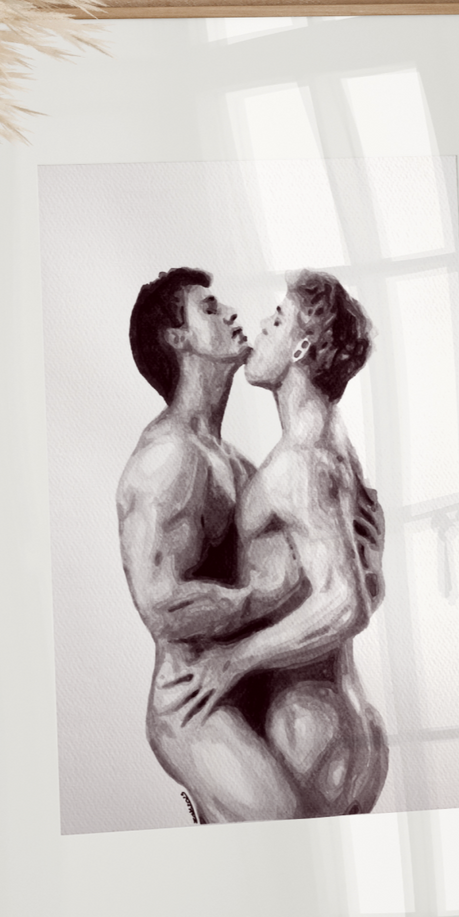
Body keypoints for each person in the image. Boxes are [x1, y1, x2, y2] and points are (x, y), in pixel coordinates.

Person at [161, 269, 388, 818]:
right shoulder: (337, 444)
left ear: (302, 347)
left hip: (308, 729)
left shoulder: (299, 462)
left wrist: (234, 660)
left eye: (279, 319)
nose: (261, 326)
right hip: (356, 733)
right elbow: (364, 587)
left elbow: (344, 603)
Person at [116, 267, 304, 824]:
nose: (230, 314)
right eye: (209, 308)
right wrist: (261, 597)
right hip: (192, 702)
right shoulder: (167, 458)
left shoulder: (237, 462)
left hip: (240, 684)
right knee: (284, 824)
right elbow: (160, 605)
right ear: (178, 339)